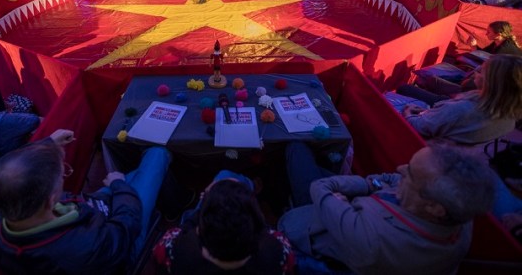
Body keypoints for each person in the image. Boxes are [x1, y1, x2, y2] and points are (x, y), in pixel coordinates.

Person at [278, 141, 495, 275]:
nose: (400, 169)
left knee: (296, 149)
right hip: (345, 204)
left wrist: (341, 198)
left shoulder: (373, 241)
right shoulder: (459, 218)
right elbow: (389, 179)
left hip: (307, 228)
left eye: (410, 173)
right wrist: (368, 185)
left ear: (434, 207)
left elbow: (319, 188)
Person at [0, 139, 171, 274]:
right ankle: (176, 207)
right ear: (51, 200)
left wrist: (47, 144)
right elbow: (126, 225)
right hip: (120, 240)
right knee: (157, 155)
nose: (63, 176)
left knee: (137, 176)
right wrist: (119, 185)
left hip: (90, 211)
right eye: (62, 175)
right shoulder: (84, 248)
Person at [154, 172, 295, 275]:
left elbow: (179, 231)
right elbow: (265, 229)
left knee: (223, 175)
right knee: (225, 175)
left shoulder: (172, 251)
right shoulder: (279, 253)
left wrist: (204, 206)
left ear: (199, 230)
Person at [402, 54, 522, 144]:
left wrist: (408, 113)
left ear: (492, 82)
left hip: (430, 155)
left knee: (404, 90)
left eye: (482, 71)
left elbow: (418, 127)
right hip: (456, 157)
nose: (476, 71)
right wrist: (432, 113)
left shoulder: (460, 109)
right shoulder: (510, 118)